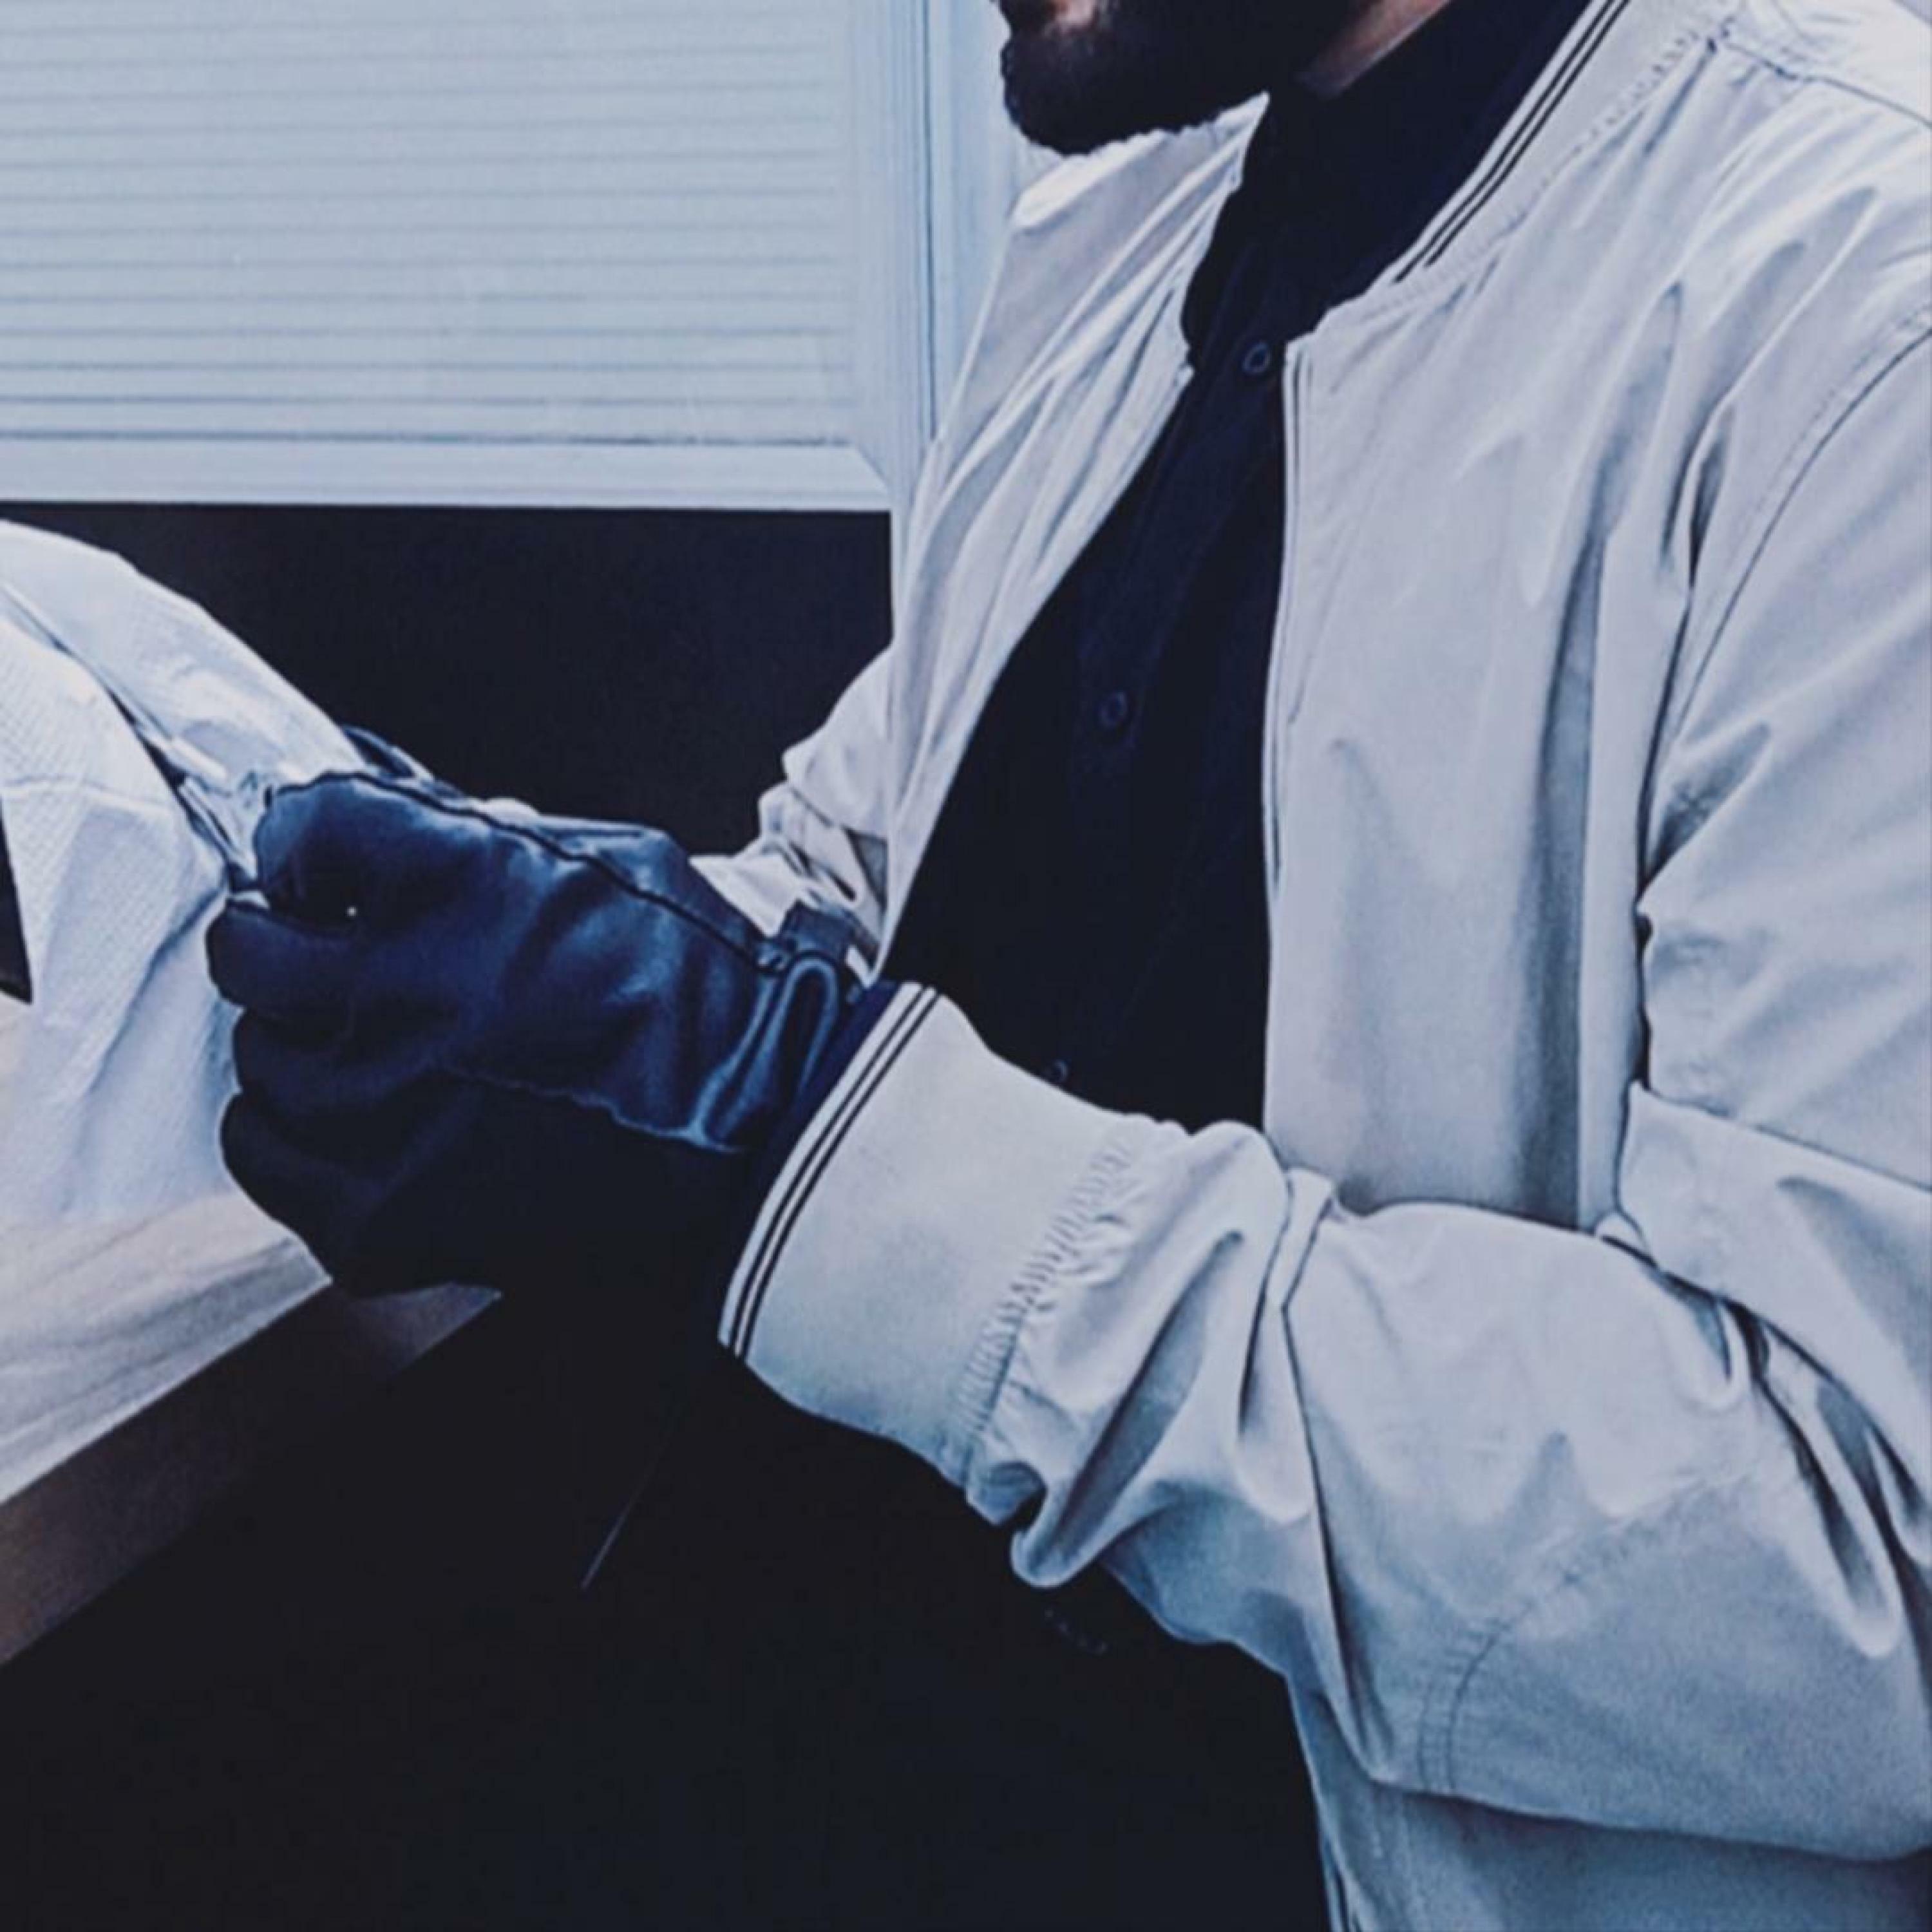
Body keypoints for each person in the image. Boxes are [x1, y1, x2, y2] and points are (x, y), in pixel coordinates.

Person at [205, 0, 1931, 1925]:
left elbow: (1849, 1560)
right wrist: (517, 958)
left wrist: (792, 1130)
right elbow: (869, 876)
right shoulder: (1129, 229)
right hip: (777, 1750)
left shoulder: (1861, 312)